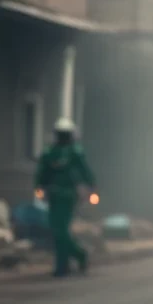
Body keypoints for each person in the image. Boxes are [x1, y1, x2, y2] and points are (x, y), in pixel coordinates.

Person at [34, 117, 97, 277]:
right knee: (56, 230)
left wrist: (91, 187)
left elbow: (85, 172)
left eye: (65, 134)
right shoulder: (50, 153)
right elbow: (42, 174)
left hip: (68, 195)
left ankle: (67, 263)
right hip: (54, 195)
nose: (63, 137)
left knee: (61, 230)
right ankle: (73, 258)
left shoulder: (75, 152)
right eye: (61, 134)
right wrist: (40, 189)